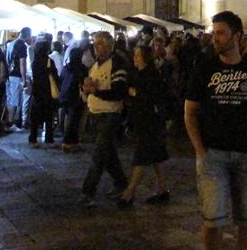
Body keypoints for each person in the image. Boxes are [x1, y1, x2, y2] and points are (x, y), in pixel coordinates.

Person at [184, 11, 247, 250]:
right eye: (214, 32)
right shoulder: (204, 67)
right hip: (213, 155)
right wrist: (200, 151)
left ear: (237, 35)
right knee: (212, 220)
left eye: (220, 32)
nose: (214, 38)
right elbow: (189, 112)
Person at [80, 31, 129, 204]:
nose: (96, 47)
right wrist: (86, 87)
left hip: (110, 114)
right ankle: (121, 183)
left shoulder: (117, 64)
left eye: (99, 43)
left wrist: (96, 91)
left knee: (98, 154)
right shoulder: (95, 65)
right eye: (95, 43)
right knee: (107, 153)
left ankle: (88, 192)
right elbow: (90, 88)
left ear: (110, 46)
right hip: (95, 114)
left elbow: (119, 91)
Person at [118, 44, 170, 206]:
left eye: (137, 56)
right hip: (143, 120)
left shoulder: (150, 75)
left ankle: (129, 192)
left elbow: (151, 96)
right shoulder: (138, 73)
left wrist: (135, 93)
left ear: (144, 58)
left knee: (141, 156)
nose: (134, 58)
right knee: (156, 156)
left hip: (150, 122)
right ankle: (162, 189)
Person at [29, 38, 59, 148]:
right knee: (48, 116)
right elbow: (55, 76)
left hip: (37, 91)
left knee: (35, 117)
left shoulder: (35, 62)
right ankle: (49, 138)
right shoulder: (49, 61)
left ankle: (33, 138)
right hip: (47, 91)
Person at [58, 45, 88, 151]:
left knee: (72, 119)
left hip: (65, 96)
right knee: (73, 120)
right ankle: (67, 142)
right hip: (75, 97)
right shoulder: (82, 68)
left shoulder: (66, 67)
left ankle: (74, 141)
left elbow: (61, 80)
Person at [5, 27, 31, 129]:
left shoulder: (11, 44)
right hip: (16, 75)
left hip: (10, 75)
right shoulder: (22, 45)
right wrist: (24, 79)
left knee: (11, 99)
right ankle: (11, 122)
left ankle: (11, 121)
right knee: (15, 100)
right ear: (28, 35)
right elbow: (22, 63)